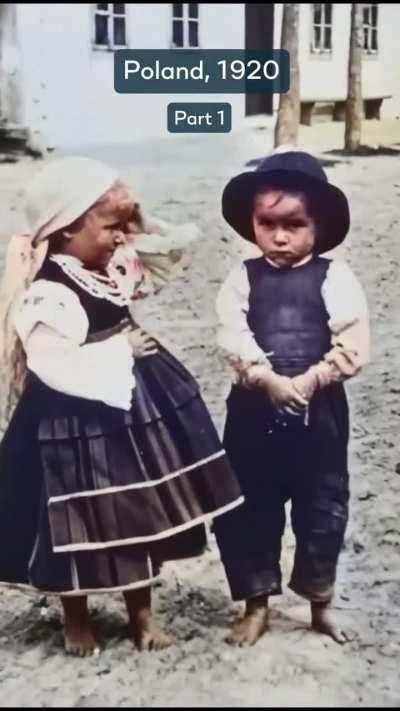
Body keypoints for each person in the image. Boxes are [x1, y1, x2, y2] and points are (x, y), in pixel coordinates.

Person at [0, 156, 243, 656]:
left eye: (122, 227)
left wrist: (136, 222)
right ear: (66, 229)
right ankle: (77, 616)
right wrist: (118, 350)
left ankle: (141, 612)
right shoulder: (48, 291)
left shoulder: (107, 264)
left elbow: (171, 252)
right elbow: (54, 364)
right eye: (110, 227)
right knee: (75, 517)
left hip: (128, 407)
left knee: (138, 507)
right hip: (73, 416)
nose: (120, 238)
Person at [213, 149, 370, 646]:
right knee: (249, 507)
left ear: (317, 227)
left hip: (316, 413)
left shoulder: (335, 277)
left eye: (294, 225)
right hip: (253, 412)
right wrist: (265, 377)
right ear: (252, 224)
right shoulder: (242, 279)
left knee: (321, 506)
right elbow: (231, 334)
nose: (280, 237)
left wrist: (312, 379)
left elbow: (353, 342)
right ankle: (256, 604)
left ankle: (319, 603)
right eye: (268, 224)